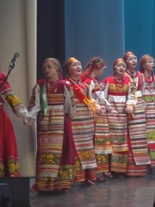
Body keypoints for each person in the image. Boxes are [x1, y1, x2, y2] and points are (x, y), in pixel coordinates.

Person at [27, 58, 79, 193]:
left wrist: (69, 117)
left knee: (60, 152)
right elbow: (36, 104)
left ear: (56, 69)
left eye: (49, 67)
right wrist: (30, 117)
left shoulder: (64, 86)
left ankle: (61, 183)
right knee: (46, 153)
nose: (46, 70)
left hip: (60, 123)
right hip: (45, 123)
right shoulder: (40, 86)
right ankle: (44, 184)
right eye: (44, 68)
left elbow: (70, 105)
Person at [65, 57, 99, 186]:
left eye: (79, 64)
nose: (79, 67)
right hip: (74, 120)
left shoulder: (84, 85)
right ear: (68, 69)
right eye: (75, 65)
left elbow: (90, 100)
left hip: (87, 121)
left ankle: (87, 176)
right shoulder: (65, 84)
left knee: (88, 147)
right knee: (75, 148)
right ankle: (75, 177)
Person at [102, 58, 136, 175]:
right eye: (119, 66)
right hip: (111, 115)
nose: (121, 68)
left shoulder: (128, 81)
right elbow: (103, 97)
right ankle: (109, 169)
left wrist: (129, 105)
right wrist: (109, 109)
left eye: (123, 66)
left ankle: (120, 169)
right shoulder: (108, 80)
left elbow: (131, 96)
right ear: (114, 68)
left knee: (121, 141)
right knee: (110, 142)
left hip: (122, 115)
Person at [79, 57, 111, 179]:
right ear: (97, 69)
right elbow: (88, 97)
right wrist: (96, 106)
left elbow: (101, 97)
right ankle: (94, 172)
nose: (103, 71)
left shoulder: (95, 80)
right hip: (94, 113)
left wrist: (107, 106)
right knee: (95, 142)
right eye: (102, 69)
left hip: (100, 114)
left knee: (101, 142)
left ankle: (101, 169)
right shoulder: (88, 81)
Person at [124, 51, 151, 177]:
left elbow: (142, 90)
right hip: (128, 106)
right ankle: (130, 168)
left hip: (139, 105)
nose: (134, 61)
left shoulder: (140, 75)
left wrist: (143, 105)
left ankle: (141, 167)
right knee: (130, 135)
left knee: (140, 135)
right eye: (130, 59)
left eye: (135, 59)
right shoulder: (124, 75)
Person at [140, 55, 155, 172]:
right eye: (150, 62)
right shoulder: (140, 79)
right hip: (145, 111)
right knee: (145, 137)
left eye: (154, 62)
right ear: (144, 65)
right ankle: (146, 162)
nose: (153, 64)